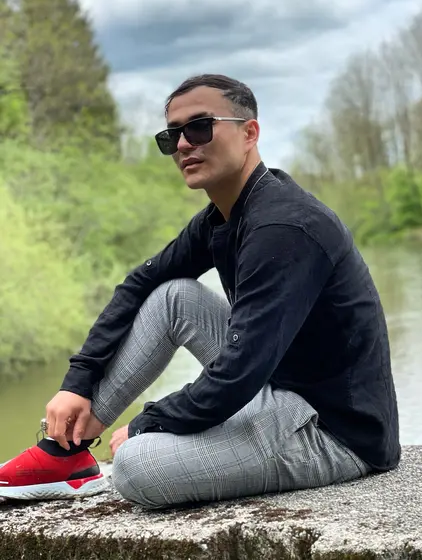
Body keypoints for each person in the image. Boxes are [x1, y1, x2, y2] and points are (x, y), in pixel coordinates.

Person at [0, 74, 401, 506]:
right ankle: (66, 451)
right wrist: (76, 384)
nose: (183, 144)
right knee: (172, 297)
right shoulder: (221, 217)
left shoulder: (284, 227)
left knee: (136, 465)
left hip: (333, 430)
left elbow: (239, 372)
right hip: (276, 386)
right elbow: (139, 283)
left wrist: (149, 421)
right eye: (172, 135)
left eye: (200, 127)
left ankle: (106, 448)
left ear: (249, 133)